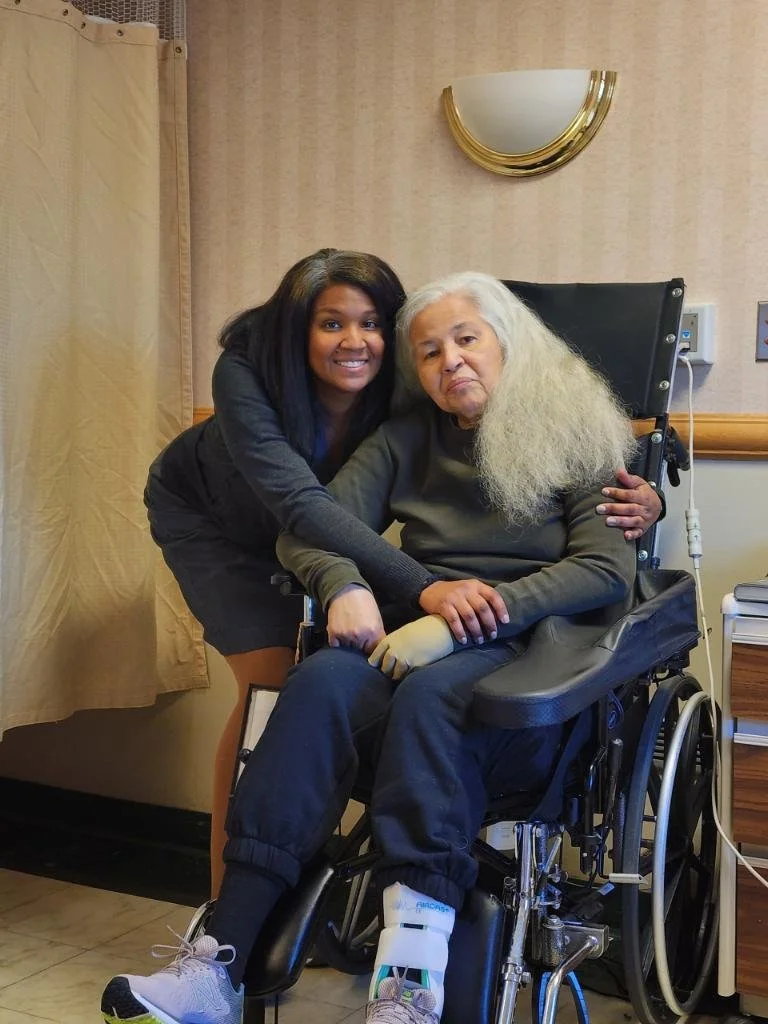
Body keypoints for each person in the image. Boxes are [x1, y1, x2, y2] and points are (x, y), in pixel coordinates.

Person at [104, 272, 642, 1024]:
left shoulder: (581, 435)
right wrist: (342, 587)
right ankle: (217, 964)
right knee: (319, 681)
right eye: (428, 351)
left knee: (431, 696)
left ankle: (409, 988)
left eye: (466, 339)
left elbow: (603, 569)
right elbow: (308, 530)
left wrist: (462, 622)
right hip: (414, 630)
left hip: (529, 654)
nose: (450, 361)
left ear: (506, 344)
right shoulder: (404, 439)